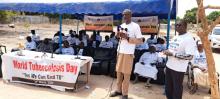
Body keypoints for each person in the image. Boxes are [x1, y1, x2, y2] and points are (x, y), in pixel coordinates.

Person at [110, 9, 143, 99]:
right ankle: (118, 90)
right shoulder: (121, 26)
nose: (125, 16)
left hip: (128, 53)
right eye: (123, 15)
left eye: (127, 14)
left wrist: (128, 38)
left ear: (131, 15)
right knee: (119, 72)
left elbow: (140, 40)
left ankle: (125, 94)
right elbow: (119, 39)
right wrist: (118, 35)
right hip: (120, 52)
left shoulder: (135, 26)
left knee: (126, 74)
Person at [163, 20, 196, 99]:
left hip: (178, 69)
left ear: (185, 26)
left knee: (177, 90)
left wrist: (173, 54)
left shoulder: (189, 39)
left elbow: (189, 56)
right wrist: (167, 52)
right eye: (176, 25)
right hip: (169, 66)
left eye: (179, 25)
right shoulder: (176, 36)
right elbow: (172, 49)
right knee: (168, 89)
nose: (177, 27)